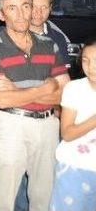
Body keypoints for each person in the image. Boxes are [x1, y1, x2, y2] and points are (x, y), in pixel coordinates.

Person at [0, 0, 74, 211]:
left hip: (48, 127)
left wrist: (18, 92)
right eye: (12, 8)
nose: (21, 14)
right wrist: (46, 88)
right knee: (3, 199)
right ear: (2, 15)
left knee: (44, 198)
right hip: (11, 126)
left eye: (25, 6)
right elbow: (3, 100)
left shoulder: (49, 44)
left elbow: (66, 92)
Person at [49, 35, 96, 210]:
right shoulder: (75, 89)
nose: (91, 67)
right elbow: (67, 133)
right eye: (86, 61)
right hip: (75, 167)